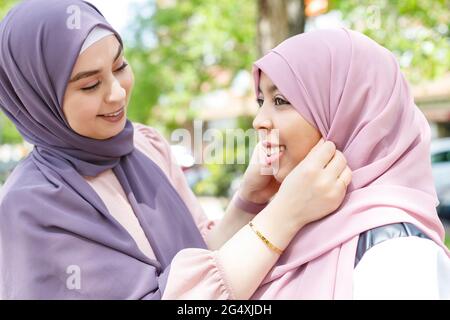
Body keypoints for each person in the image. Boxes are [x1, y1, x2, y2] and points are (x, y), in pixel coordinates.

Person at [0, 0, 351, 299]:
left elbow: (199, 258)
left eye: (120, 66)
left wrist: (249, 201)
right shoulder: (30, 208)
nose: (118, 93)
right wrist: (284, 217)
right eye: (90, 85)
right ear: (36, 101)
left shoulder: (143, 147)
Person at [249, 28, 450, 299]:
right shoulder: (295, 223)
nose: (259, 120)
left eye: (281, 100)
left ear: (348, 114)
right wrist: (248, 202)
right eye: (261, 101)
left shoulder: (397, 253)